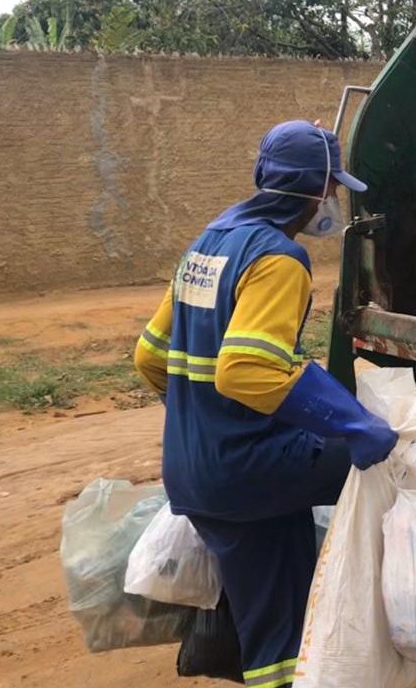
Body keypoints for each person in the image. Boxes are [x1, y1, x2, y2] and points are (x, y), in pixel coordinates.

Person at [133, 119, 398, 688]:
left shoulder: (207, 243)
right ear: (313, 190)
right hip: (247, 471)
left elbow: (150, 356)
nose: (332, 201)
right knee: (390, 471)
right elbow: (247, 370)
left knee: (274, 605)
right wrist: (355, 422)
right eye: (332, 188)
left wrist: (199, 424)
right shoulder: (278, 259)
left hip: (196, 468)